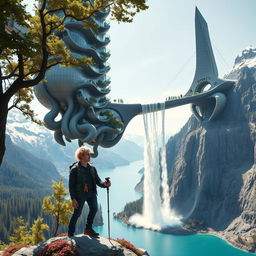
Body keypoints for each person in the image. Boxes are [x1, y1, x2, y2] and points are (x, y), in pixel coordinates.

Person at [68, 146, 111, 237]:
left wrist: (104, 184)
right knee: (77, 213)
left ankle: (88, 229)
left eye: (89, 154)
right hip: (80, 195)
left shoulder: (92, 168)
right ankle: (70, 234)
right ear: (81, 156)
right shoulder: (75, 169)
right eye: (87, 154)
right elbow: (71, 185)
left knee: (94, 209)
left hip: (91, 193)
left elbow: (98, 181)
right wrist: (73, 199)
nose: (89, 156)